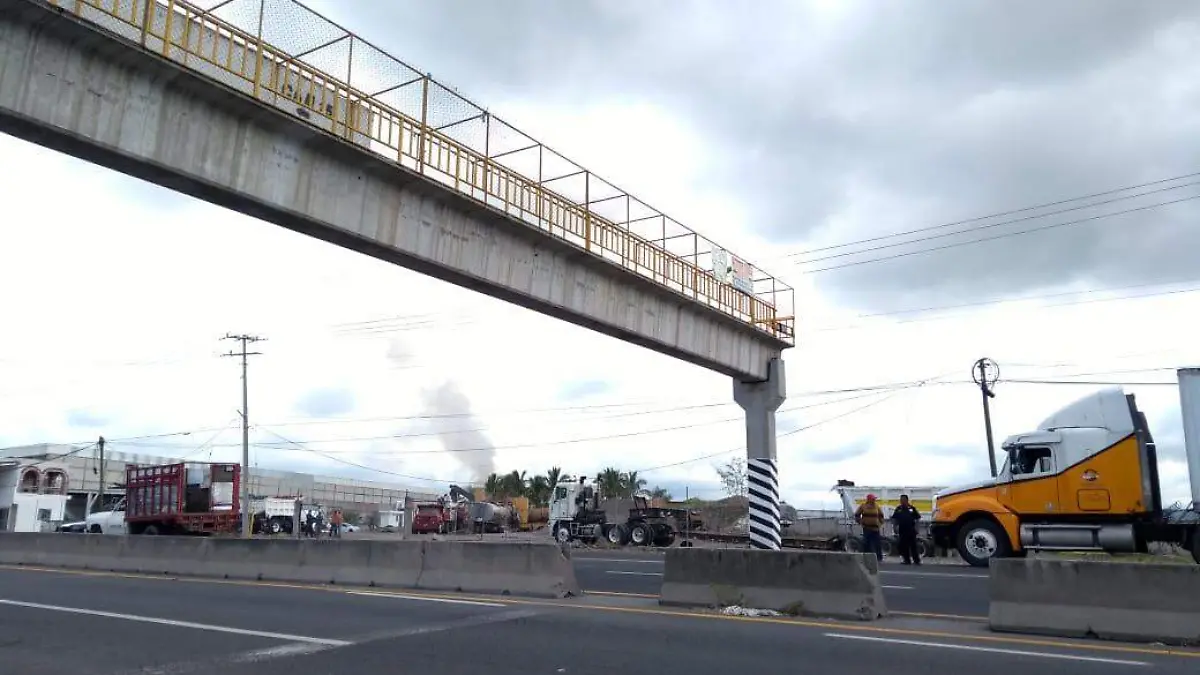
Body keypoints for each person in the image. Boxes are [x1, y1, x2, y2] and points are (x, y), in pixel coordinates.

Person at [890, 494, 922, 565]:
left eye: (903, 500)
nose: (901, 501)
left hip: (911, 530)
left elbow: (917, 518)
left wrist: (917, 528)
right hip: (902, 530)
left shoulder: (912, 508)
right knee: (904, 545)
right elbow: (894, 519)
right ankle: (907, 560)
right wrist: (894, 527)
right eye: (901, 500)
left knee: (913, 545)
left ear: (907, 500)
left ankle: (916, 560)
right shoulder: (898, 509)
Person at [855, 493, 885, 562]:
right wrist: (860, 522)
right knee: (866, 543)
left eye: (874, 499)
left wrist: (880, 523)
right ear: (869, 499)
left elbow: (881, 515)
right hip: (866, 528)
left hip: (876, 528)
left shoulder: (877, 506)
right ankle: (866, 557)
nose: (874, 500)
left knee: (877, 543)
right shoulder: (863, 506)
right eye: (873, 499)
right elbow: (857, 515)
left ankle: (879, 558)